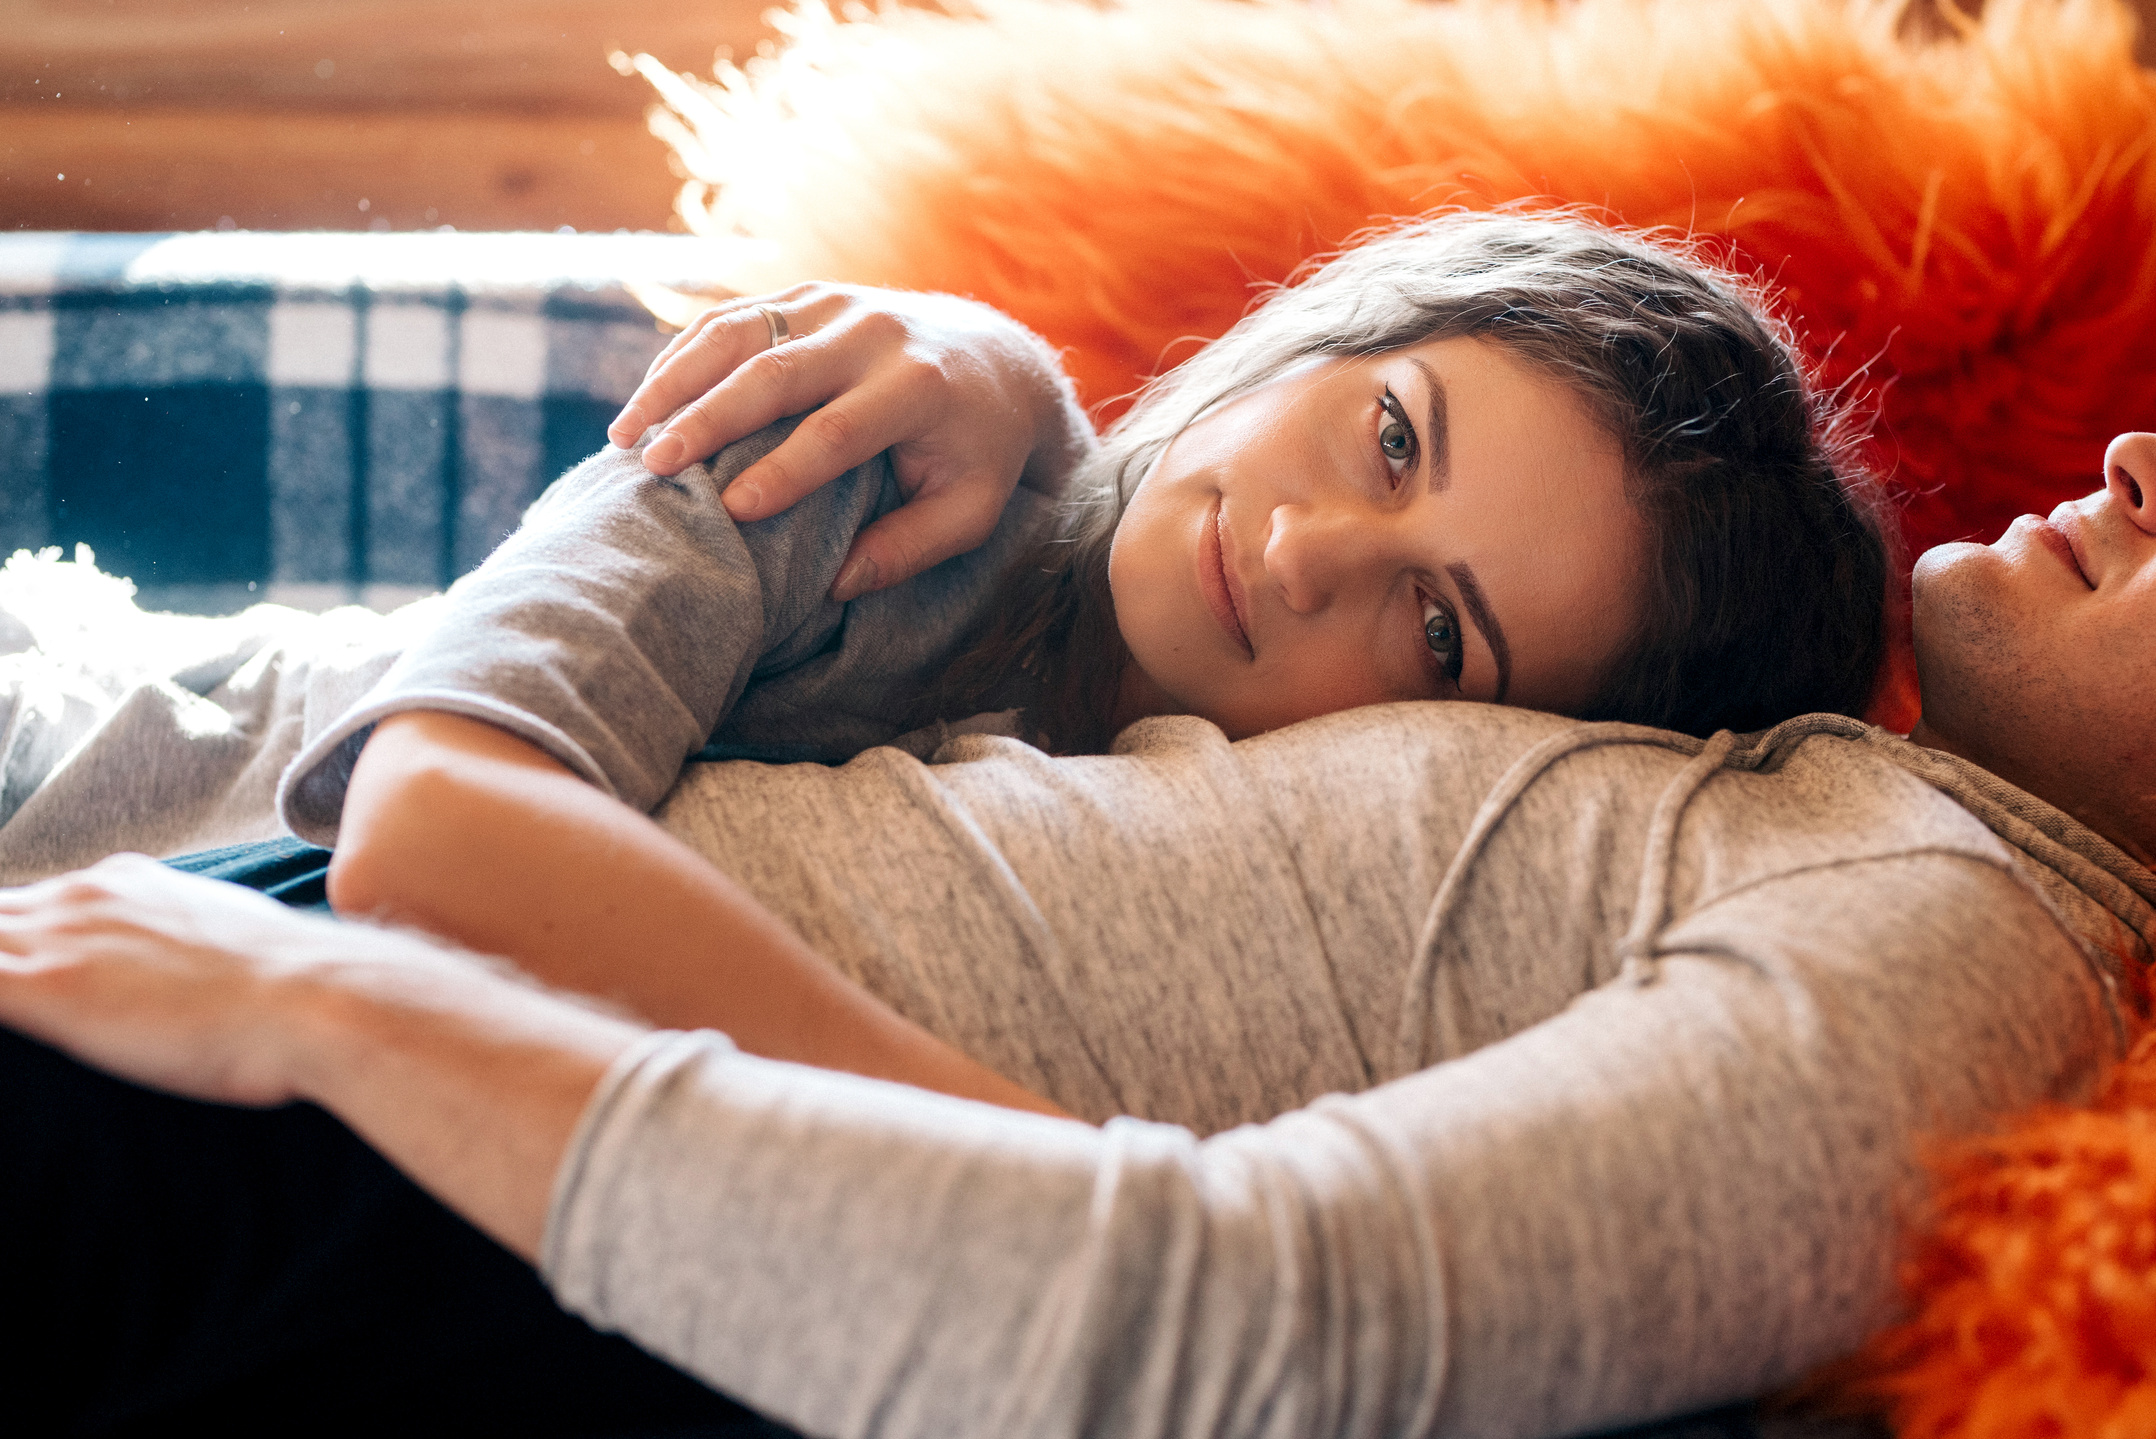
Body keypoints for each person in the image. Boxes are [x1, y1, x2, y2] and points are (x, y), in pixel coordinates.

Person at [0, 433, 2150, 1438]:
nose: (2140, 454)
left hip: (462, 1166)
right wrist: (998, 400)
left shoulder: (1960, 938)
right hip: (379, 1027)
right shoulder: (1843, 799)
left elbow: (1258, 1339)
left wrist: (359, 1014)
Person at [270, 211, 1887, 1110]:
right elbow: (419, 835)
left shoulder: (1227, 900)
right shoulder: (849, 457)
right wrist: (1027, 1158)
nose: (1306, 552)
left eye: (1441, 631)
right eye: (1390, 433)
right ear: (1350, 321)